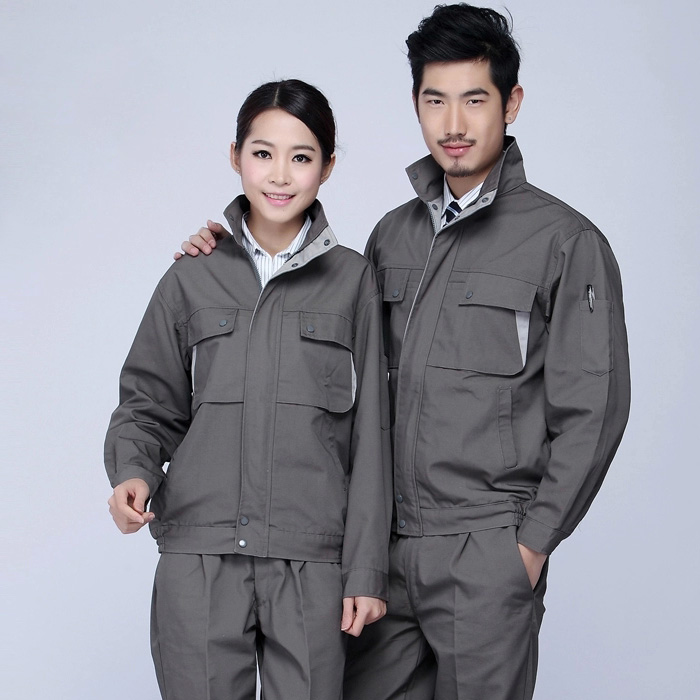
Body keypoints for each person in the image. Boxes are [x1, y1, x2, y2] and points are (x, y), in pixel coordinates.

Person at [181, 4, 631, 699]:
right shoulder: (391, 237)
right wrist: (227, 253)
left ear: (511, 103)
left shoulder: (565, 243)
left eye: (474, 100)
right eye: (434, 100)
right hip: (382, 559)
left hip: (484, 549)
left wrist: (529, 546)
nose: (453, 123)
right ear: (416, 104)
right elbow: (324, 338)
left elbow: (593, 411)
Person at [105, 79, 392, 700]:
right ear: (235, 156)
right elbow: (148, 401)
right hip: (200, 553)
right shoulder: (191, 278)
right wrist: (132, 472)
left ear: (328, 167)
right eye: (263, 153)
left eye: (301, 156)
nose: (280, 175)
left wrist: (366, 568)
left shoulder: (354, 283)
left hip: (311, 561)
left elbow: (373, 436)